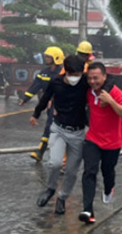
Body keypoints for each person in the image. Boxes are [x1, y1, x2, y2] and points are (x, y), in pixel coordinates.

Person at [32, 55, 89, 215]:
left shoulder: (85, 82)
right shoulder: (56, 83)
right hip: (59, 129)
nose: (75, 78)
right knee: (55, 163)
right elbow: (45, 99)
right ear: (67, 72)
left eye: (78, 74)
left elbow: (104, 82)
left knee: (71, 171)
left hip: (77, 132)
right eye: (73, 74)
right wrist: (35, 114)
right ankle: (50, 189)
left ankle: (62, 197)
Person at [79, 62, 122, 225]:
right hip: (93, 138)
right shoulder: (88, 91)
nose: (93, 82)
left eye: (96, 78)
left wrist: (110, 101)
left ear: (104, 77)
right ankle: (88, 211)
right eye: (90, 78)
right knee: (89, 171)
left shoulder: (114, 91)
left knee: (108, 172)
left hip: (112, 142)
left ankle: (109, 189)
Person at [20, 46, 65, 162]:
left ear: (56, 58)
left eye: (48, 57)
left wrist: (54, 100)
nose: (46, 58)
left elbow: (66, 90)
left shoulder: (62, 73)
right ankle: (41, 152)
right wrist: (25, 98)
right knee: (49, 126)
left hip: (62, 105)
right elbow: (36, 86)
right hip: (50, 105)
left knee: (60, 129)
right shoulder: (44, 72)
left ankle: (60, 155)